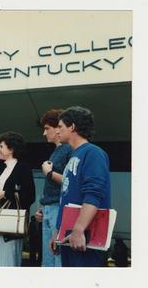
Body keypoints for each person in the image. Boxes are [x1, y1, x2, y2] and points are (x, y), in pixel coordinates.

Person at [50, 106, 111, 267]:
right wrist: (58, 231)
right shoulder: (73, 155)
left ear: (72, 127)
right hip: (68, 237)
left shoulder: (93, 153)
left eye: (61, 127)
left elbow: (93, 194)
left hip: (84, 238)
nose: (57, 131)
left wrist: (78, 229)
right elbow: (66, 197)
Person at [0, 131, 35, 266]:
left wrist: (6, 194)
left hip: (11, 219)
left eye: (1, 146)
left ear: (11, 149)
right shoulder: (0, 169)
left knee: (8, 258)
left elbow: (30, 196)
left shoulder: (23, 168)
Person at [34, 109, 72, 267]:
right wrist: (42, 207)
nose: (44, 133)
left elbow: (72, 183)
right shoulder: (57, 152)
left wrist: (49, 173)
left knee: (57, 261)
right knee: (48, 261)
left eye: (47, 128)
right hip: (50, 210)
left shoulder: (69, 149)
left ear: (58, 128)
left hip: (59, 211)